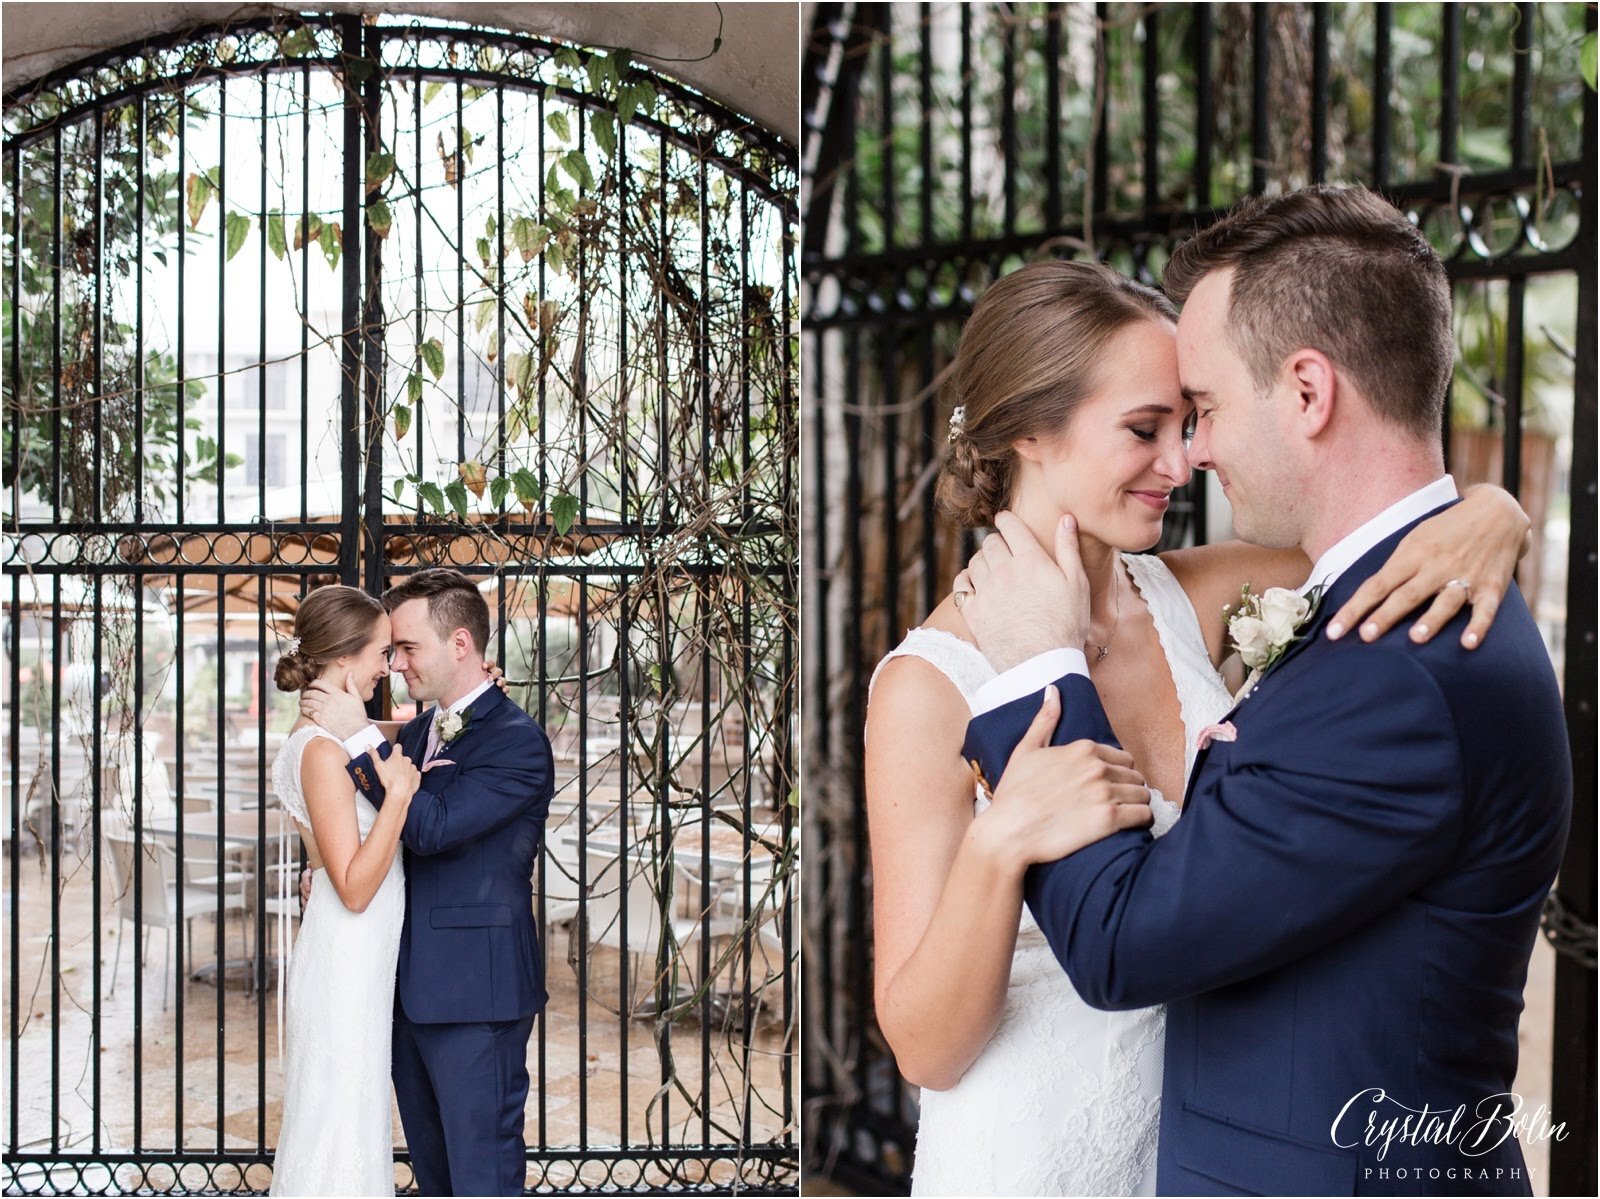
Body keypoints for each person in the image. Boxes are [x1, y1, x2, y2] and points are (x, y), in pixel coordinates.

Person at [866, 253, 1537, 1195]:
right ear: (1026, 432)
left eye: (1187, 423)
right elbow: (924, 1047)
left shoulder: (1206, 593)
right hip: (1031, 1154)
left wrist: (1491, 511)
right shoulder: (929, 687)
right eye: (1144, 429)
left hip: (1207, 1151)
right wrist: (1000, 845)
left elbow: (1377, 527)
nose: (1182, 463)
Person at [298, 567, 554, 1196]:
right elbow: (365, 795)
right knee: (435, 1178)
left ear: (460, 644)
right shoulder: (418, 730)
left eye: (407, 648)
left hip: (476, 996)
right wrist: (328, 859)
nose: (397, 664)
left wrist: (357, 728)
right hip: (404, 992)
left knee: (481, 1177)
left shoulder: (517, 744)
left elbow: (432, 826)